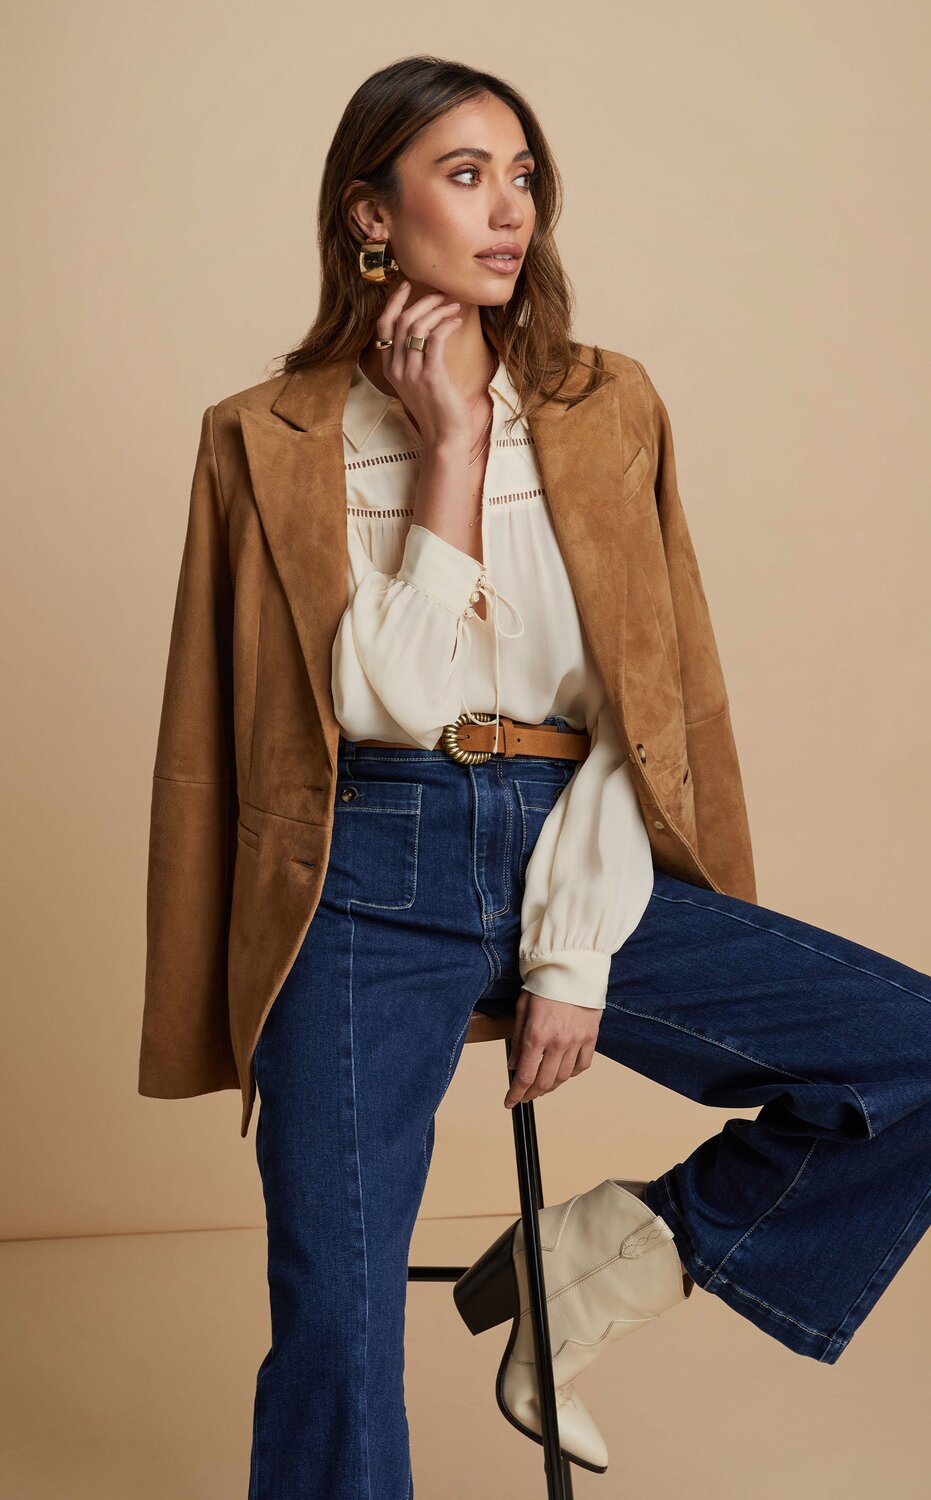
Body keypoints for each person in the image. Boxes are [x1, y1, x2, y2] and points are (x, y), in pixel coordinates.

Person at [139, 57, 931, 1500]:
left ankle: (612, 1260)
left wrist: (571, 949)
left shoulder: (606, 404)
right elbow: (385, 699)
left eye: (523, 176)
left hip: (576, 837)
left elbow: (649, 705)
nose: (510, 210)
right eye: (464, 174)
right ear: (370, 213)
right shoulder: (265, 439)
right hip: (359, 871)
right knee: (335, 1305)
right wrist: (449, 443)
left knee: (911, 1048)